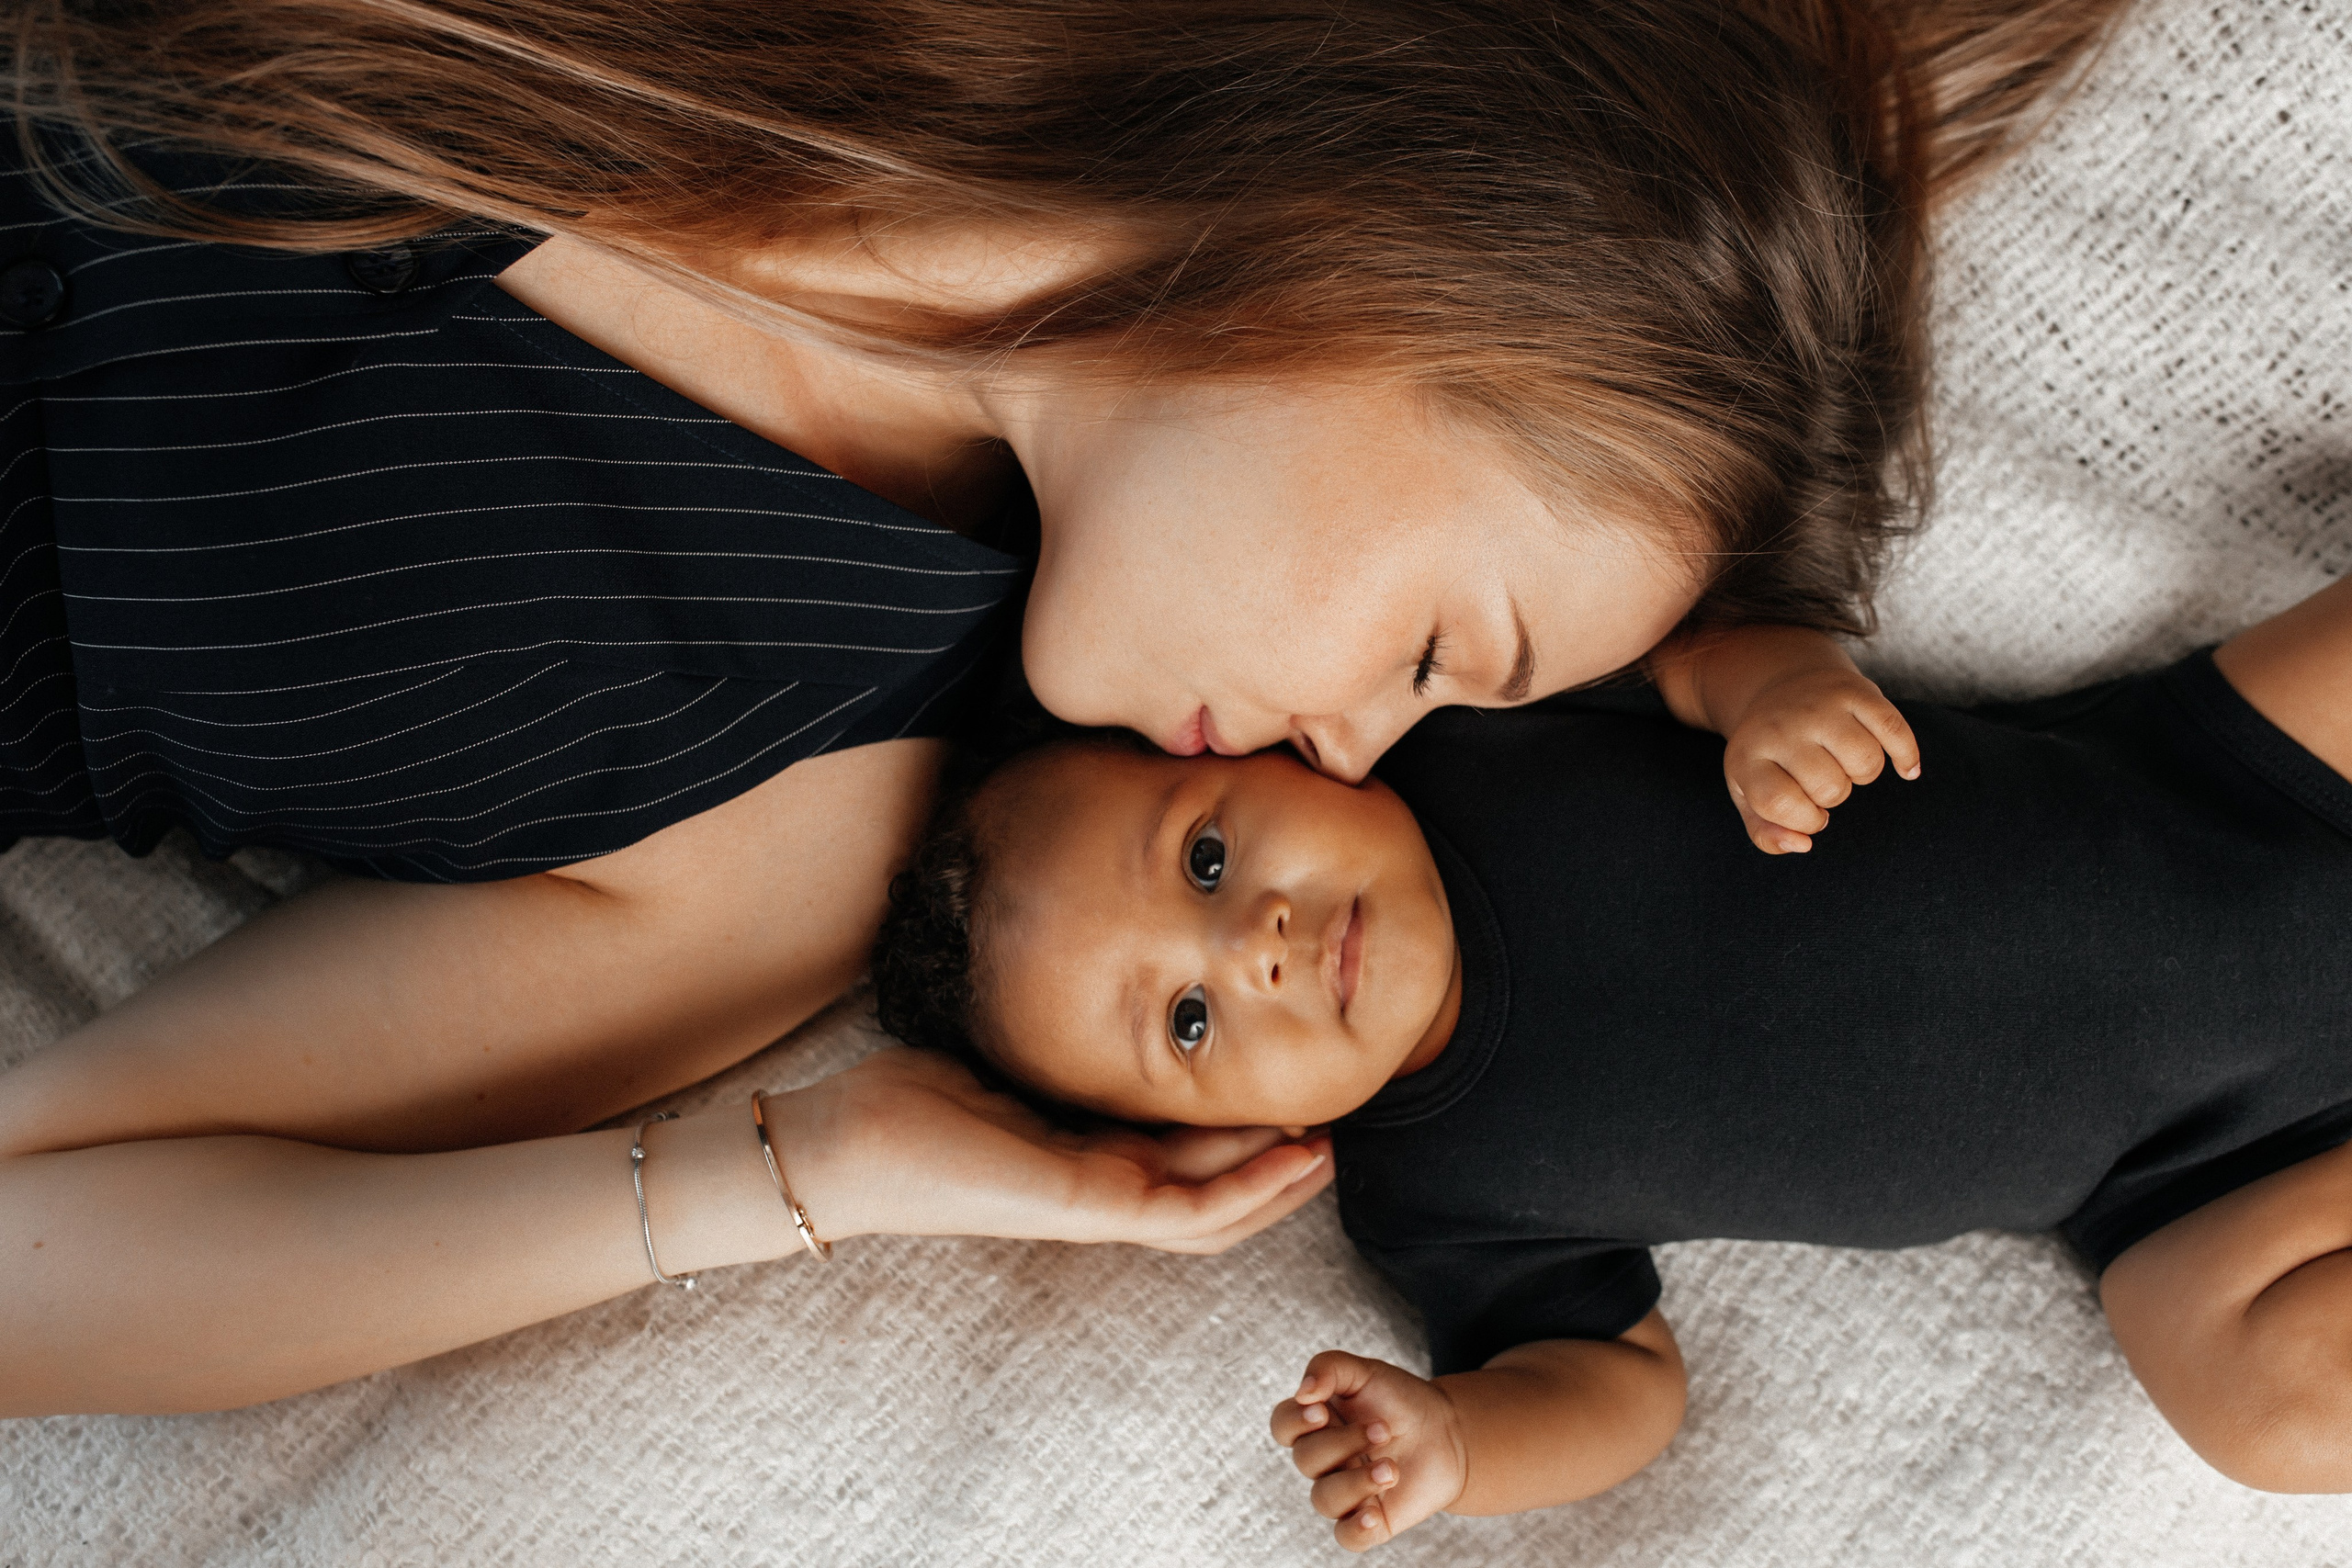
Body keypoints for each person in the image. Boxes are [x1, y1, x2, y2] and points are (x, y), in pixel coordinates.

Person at [0, 0, 2120, 1416]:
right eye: (1434, 648)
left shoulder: (785, 810)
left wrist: (786, 1172)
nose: (1351, 751)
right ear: (1400, 279)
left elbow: (34, 1257)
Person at [866, 580, 2352, 1548]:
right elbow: (1623, 1389)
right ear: (1209, 1135)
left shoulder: (1467, 737)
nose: (1250, 946)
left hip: (2227, 791)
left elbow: (1682, 630)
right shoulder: (1441, 1194)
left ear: (1262, 747)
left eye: (1203, 855)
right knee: (2260, 1410)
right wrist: (1456, 1441)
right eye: (1187, 1026)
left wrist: (1768, 688)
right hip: (2213, 1172)